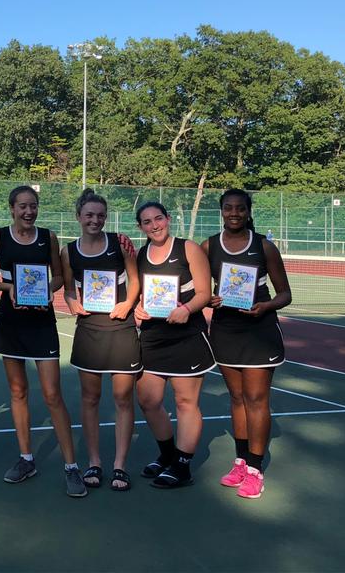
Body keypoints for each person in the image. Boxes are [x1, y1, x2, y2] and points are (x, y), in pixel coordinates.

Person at [0, 185, 87, 498]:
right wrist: (9, 288)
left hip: (41, 321)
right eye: (23, 206)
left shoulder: (48, 237)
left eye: (33, 206)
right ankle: (27, 458)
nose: (29, 212)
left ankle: (71, 466)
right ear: (12, 209)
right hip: (11, 322)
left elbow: (58, 276)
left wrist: (44, 291)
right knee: (17, 391)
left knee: (53, 394)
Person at [203, 189, 292, 500]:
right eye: (228, 208)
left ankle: (255, 470)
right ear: (221, 211)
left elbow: (284, 294)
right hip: (226, 328)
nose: (234, 213)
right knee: (238, 397)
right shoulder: (209, 246)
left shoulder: (264, 246)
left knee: (256, 398)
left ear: (248, 211)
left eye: (240, 208)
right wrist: (208, 298)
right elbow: (199, 288)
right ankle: (240, 461)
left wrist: (265, 307)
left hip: (259, 330)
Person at [61, 188, 140, 492]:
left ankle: (120, 465)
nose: (95, 220)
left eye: (100, 215)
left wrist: (128, 304)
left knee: (122, 399)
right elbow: (69, 289)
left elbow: (135, 280)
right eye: (89, 215)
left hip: (121, 327)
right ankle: (94, 461)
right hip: (89, 330)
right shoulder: (69, 251)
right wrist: (71, 302)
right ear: (79, 217)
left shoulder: (120, 244)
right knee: (90, 399)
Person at [133, 201, 214, 489]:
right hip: (153, 337)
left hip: (186, 336)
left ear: (168, 219)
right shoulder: (141, 255)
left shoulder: (188, 248)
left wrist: (187, 309)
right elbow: (141, 295)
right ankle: (167, 455)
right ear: (140, 226)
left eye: (158, 219)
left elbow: (205, 292)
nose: (154, 225)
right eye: (147, 221)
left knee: (185, 402)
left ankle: (182, 465)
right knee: (149, 401)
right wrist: (138, 310)